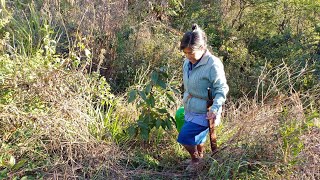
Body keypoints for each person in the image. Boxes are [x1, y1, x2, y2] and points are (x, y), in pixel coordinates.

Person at [177, 24, 229, 171]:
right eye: (185, 53)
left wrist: (215, 107)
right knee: (196, 137)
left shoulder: (213, 64)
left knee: (185, 137)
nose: (188, 56)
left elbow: (222, 88)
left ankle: (195, 160)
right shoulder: (188, 62)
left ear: (202, 47)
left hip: (206, 111)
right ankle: (200, 157)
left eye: (191, 53)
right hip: (190, 106)